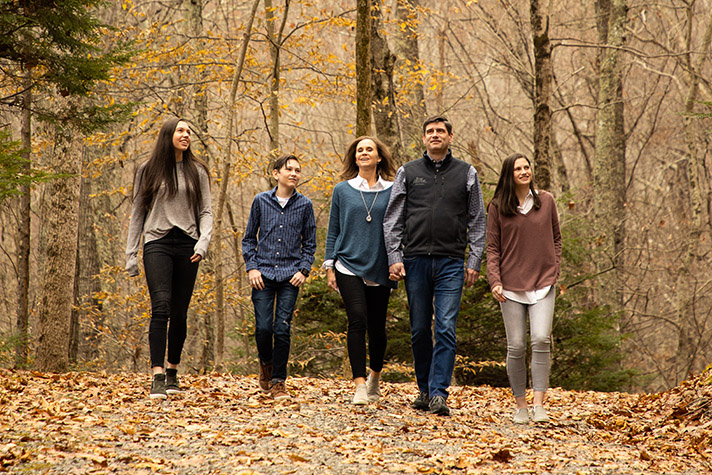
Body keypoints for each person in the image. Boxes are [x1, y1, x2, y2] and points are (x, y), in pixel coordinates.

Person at [383, 116, 486, 416]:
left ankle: (439, 392)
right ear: (424, 138)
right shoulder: (408, 172)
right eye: (430, 132)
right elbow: (393, 218)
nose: (435, 135)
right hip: (414, 261)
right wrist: (394, 256)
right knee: (418, 330)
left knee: (445, 328)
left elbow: (477, 219)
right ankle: (424, 390)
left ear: (450, 137)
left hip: (451, 262)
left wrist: (474, 260)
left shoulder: (467, 173)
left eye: (441, 131)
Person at [126, 117, 213, 399]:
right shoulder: (147, 170)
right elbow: (138, 211)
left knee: (179, 311)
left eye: (189, 131)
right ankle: (157, 375)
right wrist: (131, 253)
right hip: (157, 242)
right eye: (181, 130)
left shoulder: (198, 171)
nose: (186, 135)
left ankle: (173, 370)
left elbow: (206, 212)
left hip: (188, 244)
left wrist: (203, 242)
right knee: (160, 306)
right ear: (168, 135)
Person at [486, 153, 562, 424]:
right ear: (509, 174)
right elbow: (492, 248)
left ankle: (539, 404)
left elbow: (556, 238)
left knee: (541, 339)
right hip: (510, 286)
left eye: (526, 167)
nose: (524, 171)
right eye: (518, 168)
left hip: (543, 283)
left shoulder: (547, 201)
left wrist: (554, 270)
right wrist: (494, 280)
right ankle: (521, 406)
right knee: (516, 345)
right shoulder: (497, 206)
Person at [324, 136, 398, 405]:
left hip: (380, 266)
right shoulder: (342, 190)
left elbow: (399, 229)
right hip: (347, 264)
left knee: (377, 327)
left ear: (379, 157)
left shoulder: (392, 190)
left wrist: (397, 261)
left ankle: (375, 375)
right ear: (354, 158)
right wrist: (330, 265)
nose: (364, 153)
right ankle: (359, 385)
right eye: (359, 150)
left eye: (370, 149)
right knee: (357, 319)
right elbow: (334, 230)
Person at [242, 154, 317, 400]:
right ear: (276, 174)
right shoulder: (260, 201)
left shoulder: (305, 205)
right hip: (261, 274)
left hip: (290, 276)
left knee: (282, 328)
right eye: (289, 169)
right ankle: (266, 364)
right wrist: (252, 267)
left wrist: (303, 269)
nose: (294, 173)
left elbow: (310, 244)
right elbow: (249, 238)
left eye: (298, 170)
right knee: (264, 328)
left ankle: (278, 382)